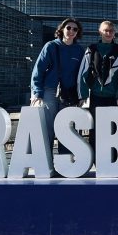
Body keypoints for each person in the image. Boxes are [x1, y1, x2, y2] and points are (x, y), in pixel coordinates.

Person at [30, 18, 85, 154]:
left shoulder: (79, 51)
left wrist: (82, 94)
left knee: (67, 128)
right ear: (61, 29)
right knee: (47, 127)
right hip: (50, 91)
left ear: (78, 33)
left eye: (75, 29)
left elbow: (82, 75)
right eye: (68, 28)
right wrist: (37, 92)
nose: (71, 31)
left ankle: (65, 165)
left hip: (69, 94)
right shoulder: (51, 46)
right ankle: (46, 163)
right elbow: (39, 70)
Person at [78, 21, 118, 152]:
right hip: (96, 97)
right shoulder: (91, 49)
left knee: (113, 130)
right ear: (100, 32)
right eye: (105, 30)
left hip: (113, 98)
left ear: (114, 34)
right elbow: (83, 73)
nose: (108, 33)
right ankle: (96, 160)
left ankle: (113, 160)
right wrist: (82, 94)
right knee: (95, 130)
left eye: (111, 31)